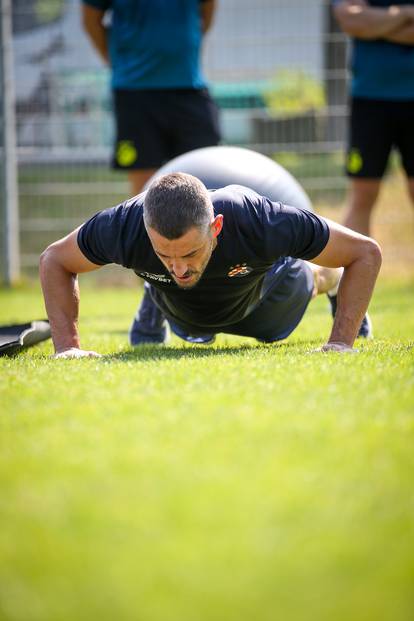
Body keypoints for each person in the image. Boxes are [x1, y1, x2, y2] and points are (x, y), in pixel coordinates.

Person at [39, 172, 382, 358]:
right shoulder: (125, 225)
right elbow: (54, 260)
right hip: (183, 309)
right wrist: (68, 349)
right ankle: (153, 290)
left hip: (265, 296)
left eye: (189, 253)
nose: (179, 267)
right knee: (187, 313)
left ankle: (329, 282)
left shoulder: (258, 220)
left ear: (215, 227)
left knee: (307, 286)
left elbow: (365, 253)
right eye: (164, 254)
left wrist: (340, 343)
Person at [332, 0, 414, 235]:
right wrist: (407, 14)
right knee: (363, 193)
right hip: (369, 101)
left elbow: (363, 24)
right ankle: (355, 269)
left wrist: (375, 25)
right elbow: (352, 21)